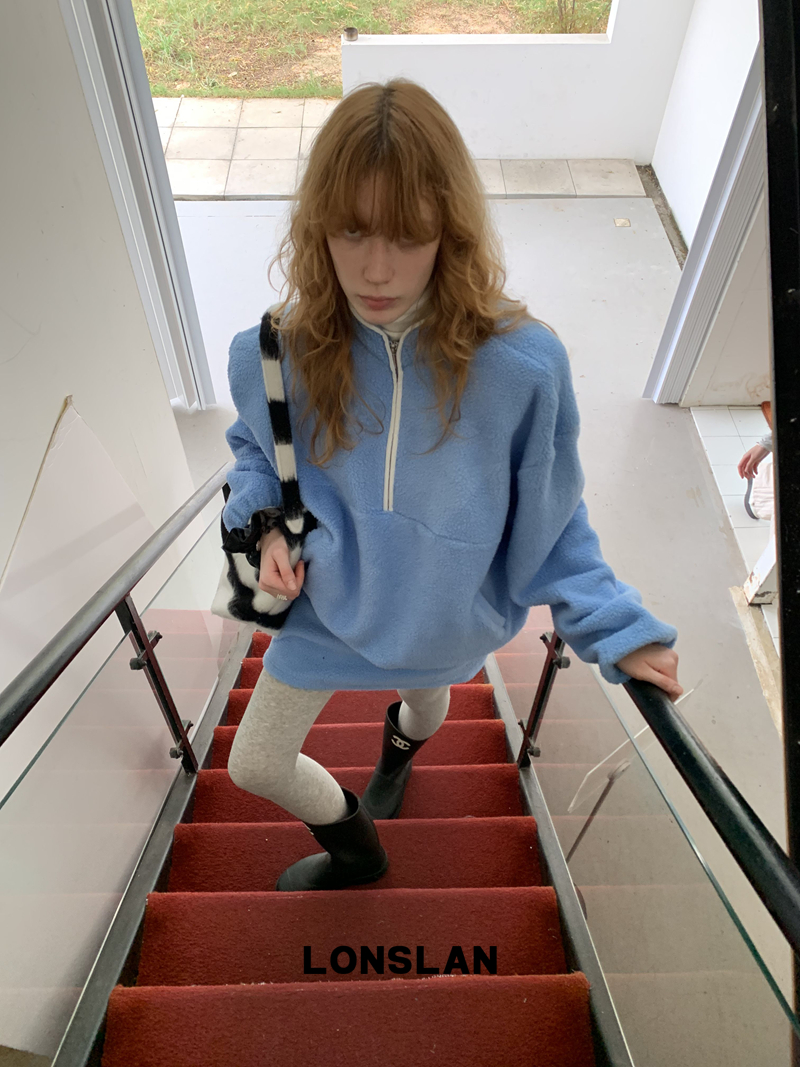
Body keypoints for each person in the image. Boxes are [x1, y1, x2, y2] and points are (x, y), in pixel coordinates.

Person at [222, 77, 682, 894]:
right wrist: (260, 525)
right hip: (329, 612)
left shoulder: (523, 367)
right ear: (318, 223)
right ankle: (358, 849)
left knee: (427, 706)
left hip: (446, 617)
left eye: (408, 234)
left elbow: (553, 515)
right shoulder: (272, 353)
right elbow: (254, 452)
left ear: (451, 229)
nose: (377, 267)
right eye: (353, 229)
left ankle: (399, 753)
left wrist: (614, 626)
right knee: (253, 761)